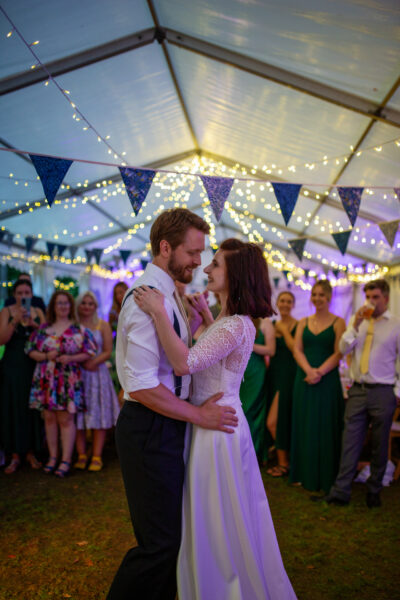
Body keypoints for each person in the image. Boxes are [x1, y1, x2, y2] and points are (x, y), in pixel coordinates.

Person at [134, 238, 297, 600]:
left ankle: (220, 587)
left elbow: (183, 363)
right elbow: (215, 353)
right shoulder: (230, 322)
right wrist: (205, 321)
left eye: (216, 263)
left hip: (214, 427)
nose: (206, 269)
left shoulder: (233, 325)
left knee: (216, 518)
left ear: (235, 274)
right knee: (224, 512)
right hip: (217, 420)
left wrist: (159, 311)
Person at [107, 209, 239, 600]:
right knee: (158, 545)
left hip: (167, 424)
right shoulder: (145, 299)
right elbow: (144, 386)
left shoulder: (166, 296)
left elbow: (181, 358)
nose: (199, 261)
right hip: (150, 426)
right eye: (193, 252)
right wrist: (199, 414)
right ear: (166, 248)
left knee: (171, 538)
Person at [313, 279, 400, 508]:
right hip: (358, 390)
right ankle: (341, 491)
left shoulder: (396, 324)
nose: (370, 301)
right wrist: (355, 325)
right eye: (368, 297)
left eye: (375, 297)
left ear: (386, 298)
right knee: (349, 441)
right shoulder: (357, 321)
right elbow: (343, 350)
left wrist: (397, 391)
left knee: (380, 444)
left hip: (383, 390)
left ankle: (374, 490)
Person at [26, 291, 96, 478]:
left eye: (66, 303)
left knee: (65, 419)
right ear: (53, 306)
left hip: (67, 379)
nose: (63, 306)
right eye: (59, 303)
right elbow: (30, 350)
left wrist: (71, 357)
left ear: (70, 306)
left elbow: (90, 351)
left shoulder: (78, 330)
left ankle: (66, 460)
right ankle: (52, 457)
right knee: (49, 418)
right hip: (46, 378)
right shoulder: (43, 329)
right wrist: (45, 356)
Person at [290, 280, 346, 494]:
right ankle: (304, 474)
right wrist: (309, 371)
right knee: (305, 424)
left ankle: (325, 476)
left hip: (327, 380)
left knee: (324, 426)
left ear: (330, 297)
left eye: (321, 295)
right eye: (314, 294)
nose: (317, 299)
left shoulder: (339, 322)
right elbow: (297, 350)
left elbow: (339, 352)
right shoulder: (303, 322)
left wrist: (320, 372)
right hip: (304, 379)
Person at [0, 280, 45, 474]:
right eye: (20, 292)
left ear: (32, 294)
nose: (23, 295)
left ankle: (31, 451)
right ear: (14, 294)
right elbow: (2, 339)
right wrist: (15, 320)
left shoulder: (38, 311)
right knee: (14, 406)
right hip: (12, 365)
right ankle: (15, 454)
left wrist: (34, 324)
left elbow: (46, 337)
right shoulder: (7, 311)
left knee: (32, 407)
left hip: (33, 365)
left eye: (27, 292)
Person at [75, 291, 120, 471]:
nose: (87, 306)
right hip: (77, 374)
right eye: (84, 303)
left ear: (95, 306)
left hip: (97, 374)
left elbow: (108, 350)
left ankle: (96, 455)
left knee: (99, 413)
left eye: (90, 303)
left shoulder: (103, 325)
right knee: (77, 415)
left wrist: (93, 362)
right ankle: (81, 454)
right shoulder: (74, 325)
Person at [267, 291, 298, 477]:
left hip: (289, 376)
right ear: (277, 303)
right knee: (276, 420)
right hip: (273, 375)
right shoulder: (270, 324)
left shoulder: (298, 324)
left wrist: (284, 331)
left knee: (275, 422)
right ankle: (282, 457)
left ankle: (284, 462)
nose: (285, 304)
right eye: (282, 301)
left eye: (289, 301)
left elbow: (296, 349)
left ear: (293, 304)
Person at [240, 316, 275, 462]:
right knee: (240, 410)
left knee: (251, 409)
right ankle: (238, 451)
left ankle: (252, 452)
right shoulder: (239, 319)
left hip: (256, 371)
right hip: (240, 369)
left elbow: (271, 350)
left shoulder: (265, 322)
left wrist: (250, 345)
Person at [108, 281, 128, 404]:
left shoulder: (133, 308)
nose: (119, 296)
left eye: (121, 292)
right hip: (117, 345)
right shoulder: (113, 312)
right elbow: (109, 331)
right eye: (116, 294)